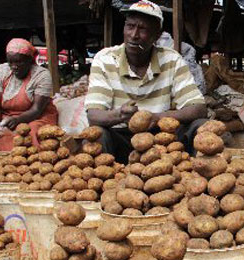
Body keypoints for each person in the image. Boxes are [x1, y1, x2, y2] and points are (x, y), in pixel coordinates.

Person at [85, 0, 207, 163]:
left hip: (163, 140)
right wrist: (120, 114)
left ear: (157, 35)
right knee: (96, 135)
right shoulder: (105, 59)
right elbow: (94, 115)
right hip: (121, 137)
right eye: (130, 26)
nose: (134, 35)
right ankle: (101, 182)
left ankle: (198, 178)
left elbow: (198, 108)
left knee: (201, 126)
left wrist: (156, 118)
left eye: (142, 29)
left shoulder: (171, 59)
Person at [0, 38, 58, 150]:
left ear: (30, 60)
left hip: (38, 117)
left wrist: (17, 120)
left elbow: (36, 110)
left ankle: (36, 163)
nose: (14, 66)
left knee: (31, 132)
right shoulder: (0, 72)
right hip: (9, 118)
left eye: (19, 62)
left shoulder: (42, 75)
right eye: (10, 62)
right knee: (2, 133)